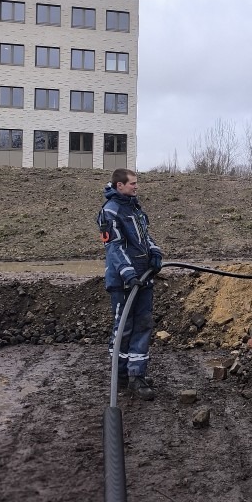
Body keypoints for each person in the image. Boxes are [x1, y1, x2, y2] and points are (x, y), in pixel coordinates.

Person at [97, 168, 163, 400]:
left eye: (136, 183)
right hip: (123, 281)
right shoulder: (110, 212)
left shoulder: (134, 208)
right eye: (132, 183)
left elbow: (144, 237)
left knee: (143, 323)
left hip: (143, 277)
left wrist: (155, 253)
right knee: (124, 327)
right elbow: (114, 247)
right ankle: (121, 374)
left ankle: (137, 375)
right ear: (119, 186)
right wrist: (128, 274)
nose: (136, 186)